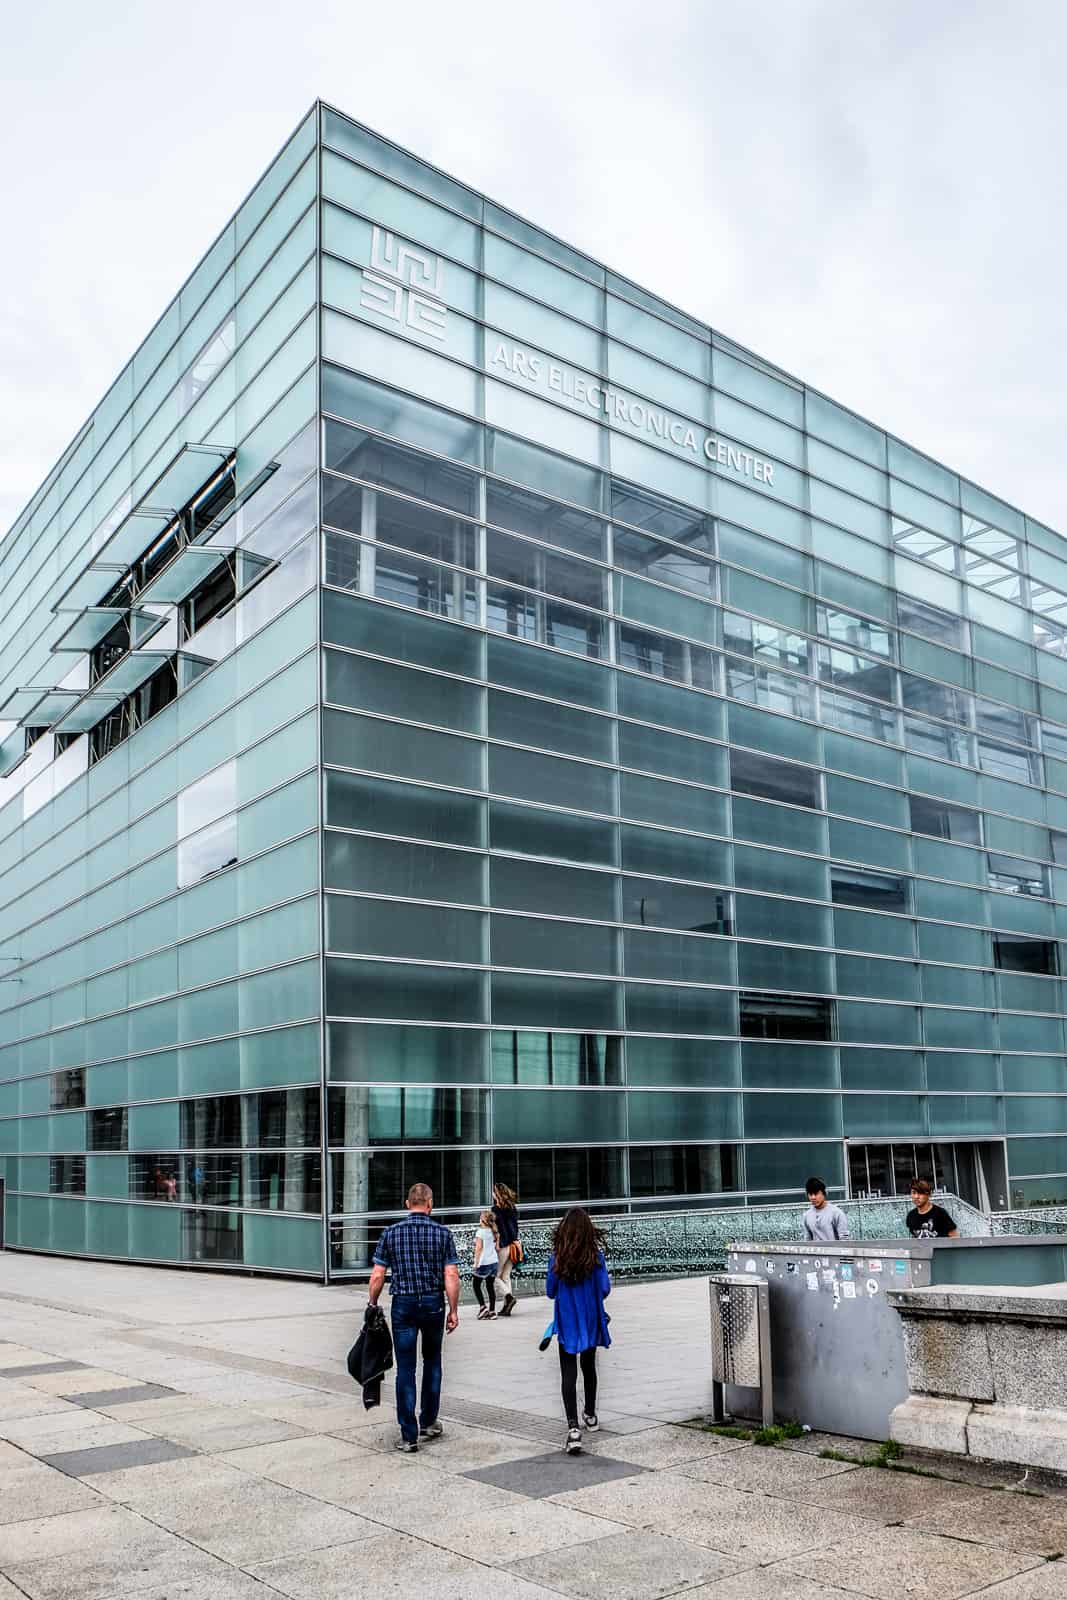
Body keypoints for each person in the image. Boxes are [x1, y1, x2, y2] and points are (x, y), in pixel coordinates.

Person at [367, 1181, 461, 1452]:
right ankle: (429, 1421)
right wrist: (453, 1310)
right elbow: (451, 1275)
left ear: (408, 1204)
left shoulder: (391, 1233)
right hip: (433, 1303)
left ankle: (409, 1435)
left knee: (405, 1368)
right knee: (432, 1362)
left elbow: (377, 1275)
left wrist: (372, 1303)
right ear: (430, 1204)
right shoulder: (443, 1234)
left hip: (403, 1306)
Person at [546, 1207, 611, 1455]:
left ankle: (573, 1428)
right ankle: (591, 1414)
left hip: (567, 1321)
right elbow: (604, 1289)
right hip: (591, 1320)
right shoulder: (596, 1258)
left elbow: (550, 1291)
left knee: (568, 1372)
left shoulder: (557, 1258)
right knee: (589, 1367)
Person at [492, 1182, 520, 1317]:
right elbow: (514, 1227)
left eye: (493, 1191)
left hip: (502, 1245)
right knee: (505, 1276)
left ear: (497, 1194)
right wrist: (516, 1240)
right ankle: (506, 1307)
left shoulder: (496, 1209)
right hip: (513, 1245)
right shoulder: (512, 1207)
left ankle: (508, 1297)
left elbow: (499, 1229)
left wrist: (497, 1242)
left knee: (493, 1276)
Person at [802, 1177, 850, 1241]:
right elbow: (808, 1240)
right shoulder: (806, 1216)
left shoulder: (836, 1213)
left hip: (834, 1250)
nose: (813, 1197)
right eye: (810, 1194)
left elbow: (844, 1240)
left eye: (816, 1194)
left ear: (824, 1193)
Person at [472, 1210, 500, 1320]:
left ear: (483, 1220)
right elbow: (497, 1248)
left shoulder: (480, 1232)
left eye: (480, 1217)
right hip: (494, 1262)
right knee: (490, 1286)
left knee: (476, 1285)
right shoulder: (495, 1232)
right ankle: (492, 1311)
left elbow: (478, 1249)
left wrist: (476, 1263)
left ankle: (483, 1308)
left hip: (483, 1263)